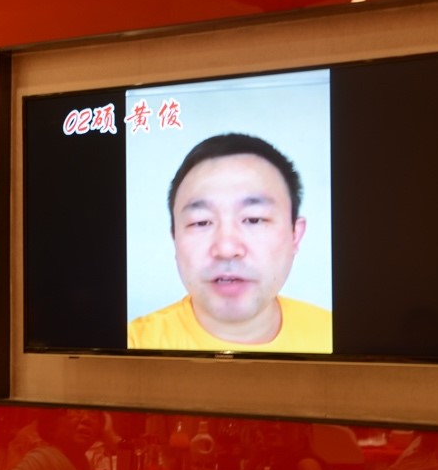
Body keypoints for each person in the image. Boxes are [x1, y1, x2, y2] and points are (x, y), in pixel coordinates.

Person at [128, 132, 331, 353]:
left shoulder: (334, 335)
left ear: (295, 235)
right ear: (174, 238)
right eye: (201, 222)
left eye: (254, 219)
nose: (226, 249)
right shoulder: (134, 345)